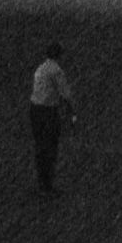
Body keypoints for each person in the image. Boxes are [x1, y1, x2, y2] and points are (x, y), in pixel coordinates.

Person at [28, 42, 75, 194]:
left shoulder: (40, 69)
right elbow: (65, 94)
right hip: (48, 112)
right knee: (51, 147)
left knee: (40, 146)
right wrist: (72, 112)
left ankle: (42, 181)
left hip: (35, 110)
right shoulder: (56, 71)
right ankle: (47, 184)